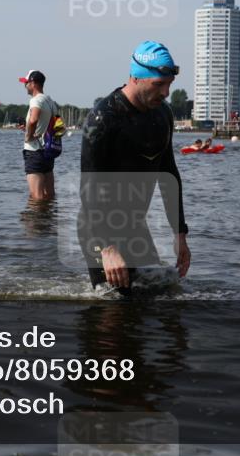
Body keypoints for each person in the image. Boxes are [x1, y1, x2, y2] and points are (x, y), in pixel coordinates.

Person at [79, 41, 191, 293]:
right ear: (136, 78)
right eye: (158, 84)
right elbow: (89, 189)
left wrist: (179, 235)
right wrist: (107, 248)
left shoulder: (163, 114)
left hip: (134, 227)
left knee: (162, 295)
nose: (165, 93)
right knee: (114, 311)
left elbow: (169, 176)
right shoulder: (103, 118)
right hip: (98, 227)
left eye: (169, 85)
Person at [18, 70, 57, 201]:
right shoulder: (50, 101)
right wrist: (28, 129)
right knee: (49, 194)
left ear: (33, 83)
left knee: (36, 197)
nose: (25, 86)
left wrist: (28, 137)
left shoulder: (35, 100)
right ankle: (48, 220)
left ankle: (36, 221)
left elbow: (34, 120)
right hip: (48, 152)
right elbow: (57, 126)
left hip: (34, 152)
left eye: (26, 83)